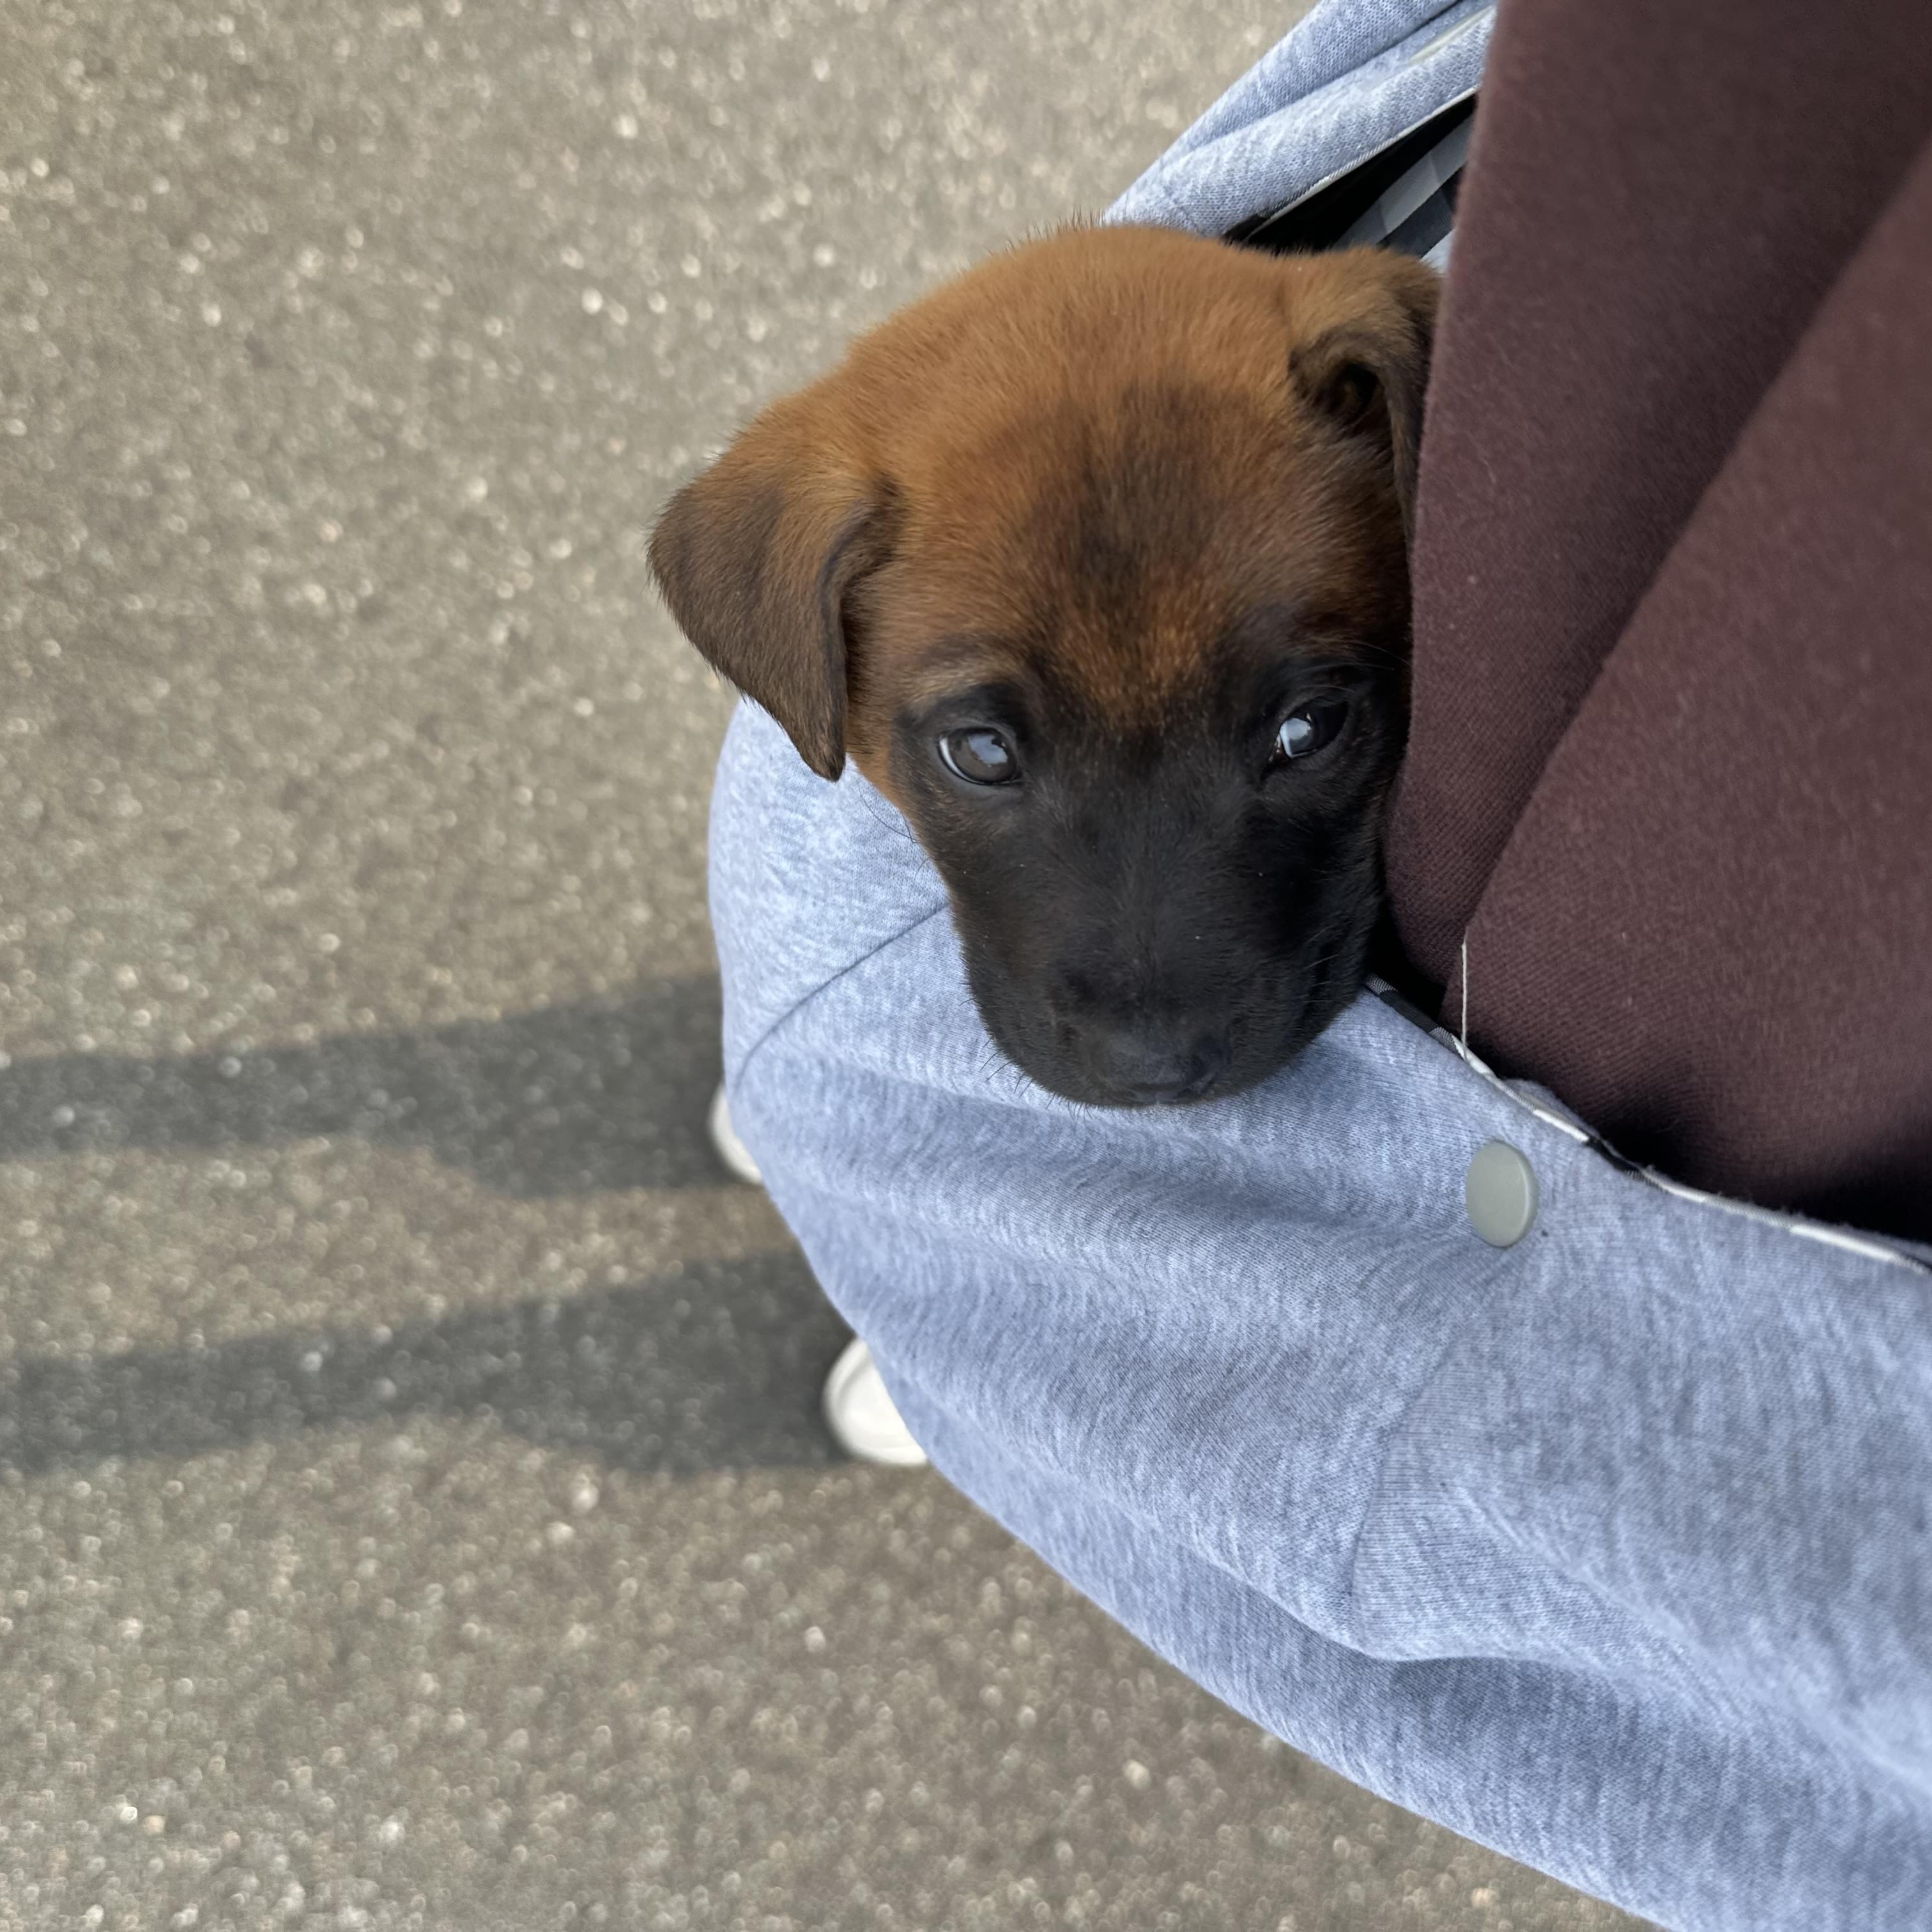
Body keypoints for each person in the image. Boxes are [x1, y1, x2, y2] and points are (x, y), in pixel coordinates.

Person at [699, 2, 1932, 1926]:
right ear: (819, 653)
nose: (1166, 998)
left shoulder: (1368, 403)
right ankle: (930, 1310)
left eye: (1297, 734)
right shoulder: (905, 522)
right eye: (986, 751)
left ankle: (951, 1332)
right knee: (877, 1097)